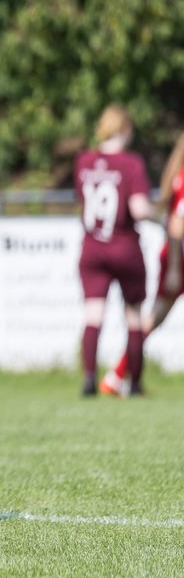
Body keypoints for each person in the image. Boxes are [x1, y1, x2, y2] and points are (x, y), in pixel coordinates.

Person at [74, 105, 153, 397]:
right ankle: (134, 383)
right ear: (126, 129)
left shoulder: (84, 161)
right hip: (124, 247)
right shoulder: (130, 164)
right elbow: (139, 209)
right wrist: (161, 216)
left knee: (93, 315)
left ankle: (89, 379)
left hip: (92, 248)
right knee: (133, 315)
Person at [101, 132, 184, 397]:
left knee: (151, 321)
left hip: (175, 260)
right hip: (178, 261)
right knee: (150, 321)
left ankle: (117, 376)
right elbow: (176, 226)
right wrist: (173, 268)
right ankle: (116, 375)